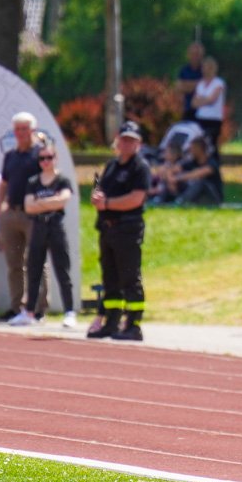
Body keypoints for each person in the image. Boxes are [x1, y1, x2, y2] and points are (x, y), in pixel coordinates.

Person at [87, 121, 151, 341]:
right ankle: (112, 322)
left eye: (132, 140)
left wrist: (107, 204)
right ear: (118, 140)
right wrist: (97, 196)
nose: (127, 144)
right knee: (110, 278)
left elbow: (136, 198)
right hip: (108, 229)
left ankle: (133, 324)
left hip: (127, 228)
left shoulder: (140, 168)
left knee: (129, 277)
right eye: (124, 139)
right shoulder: (112, 165)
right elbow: (100, 187)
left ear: (139, 144)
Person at [8, 142, 75, 328]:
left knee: (62, 270)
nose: (45, 161)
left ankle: (69, 312)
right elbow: (29, 206)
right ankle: (29, 312)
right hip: (38, 227)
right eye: (42, 158)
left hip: (56, 227)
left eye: (49, 158)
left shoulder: (62, 180)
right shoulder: (33, 182)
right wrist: (50, 202)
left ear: (56, 158)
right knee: (34, 269)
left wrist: (42, 201)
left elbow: (62, 201)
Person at [0, 112, 47, 322]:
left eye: (24, 129)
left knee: (36, 262)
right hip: (12, 214)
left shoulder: (41, 154)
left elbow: (50, 182)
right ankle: (17, 307)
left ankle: (39, 308)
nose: (20, 133)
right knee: (14, 264)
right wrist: (0, 208)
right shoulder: (10, 156)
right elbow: (5, 185)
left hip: (34, 215)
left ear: (32, 130)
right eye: (17, 129)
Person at [170, 137, 224, 206]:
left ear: (199, 149)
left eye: (191, 148)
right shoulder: (193, 162)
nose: (189, 151)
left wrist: (176, 179)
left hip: (214, 198)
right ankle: (160, 200)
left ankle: (180, 202)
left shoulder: (211, 162)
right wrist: (170, 178)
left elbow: (196, 174)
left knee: (200, 182)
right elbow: (174, 169)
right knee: (177, 182)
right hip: (199, 197)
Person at [192, 56, 226, 161]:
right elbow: (194, 103)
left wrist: (201, 100)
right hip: (200, 118)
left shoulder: (218, 83)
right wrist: (205, 100)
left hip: (213, 119)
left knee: (211, 144)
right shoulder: (200, 84)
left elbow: (212, 99)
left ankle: (214, 166)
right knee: (200, 144)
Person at [176, 42, 205, 121]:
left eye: (197, 54)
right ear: (188, 55)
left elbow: (210, 86)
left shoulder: (206, 70)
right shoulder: (183, 71)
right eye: (193, 54)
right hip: (188, 111)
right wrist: (200, 83)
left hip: (205, 112)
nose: (195, 56)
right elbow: (179, 88)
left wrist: (188, 85)